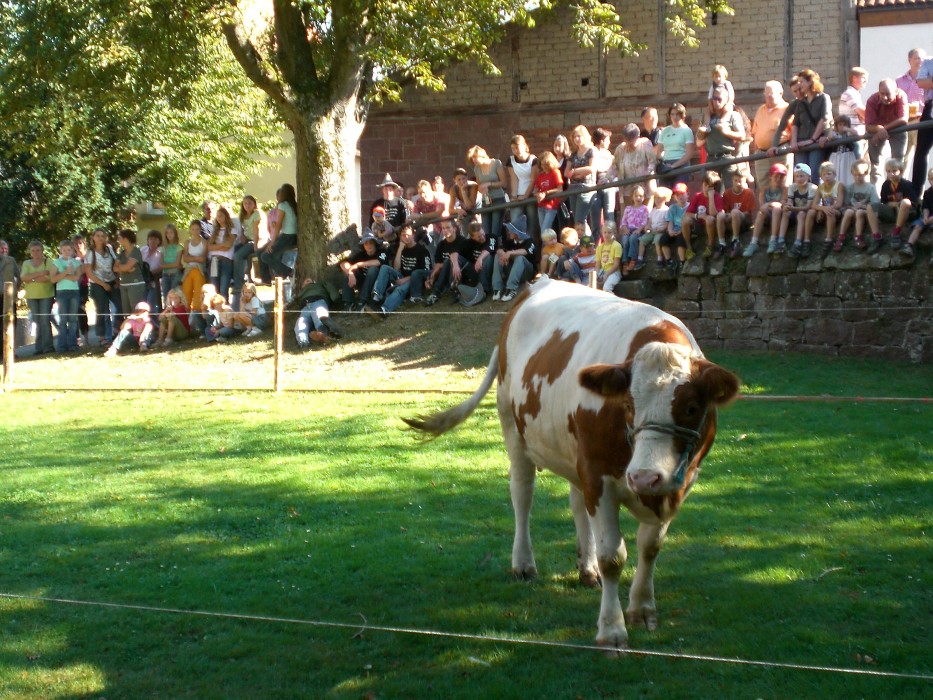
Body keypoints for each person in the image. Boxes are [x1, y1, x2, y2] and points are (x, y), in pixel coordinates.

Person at [366, 224, 432, 318]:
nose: (406, 237)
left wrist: (405, 280)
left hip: (415, 282)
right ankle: (376, 298)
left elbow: (425, 272)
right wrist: (400, 248)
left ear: (413, 235)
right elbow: (396, 268)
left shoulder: (422, 250)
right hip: (402, 276)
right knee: (385, 268)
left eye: (408, 235)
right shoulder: (402, 248)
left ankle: (384, 310)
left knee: (400, 289)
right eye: (403, 235)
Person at [786, 69, 833, 185]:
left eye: (802, 81)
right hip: (801, 142)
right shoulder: (801, 102)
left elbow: (824, 118)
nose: (800, 84)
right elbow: (796, 123)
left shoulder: (823, 98)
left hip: (816, 142)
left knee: (814, 174)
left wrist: (812, 139)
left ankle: (815, 196)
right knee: (800, 174)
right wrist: (793, 141)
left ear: (810, 82)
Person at [864, 79, 909, 188]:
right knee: (875, 164)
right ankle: (876, 192)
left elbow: (903, 119)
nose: (884, 97)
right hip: (876, 131)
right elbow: (868, 125)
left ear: (895, 91)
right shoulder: (872, 100)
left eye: (888, 94)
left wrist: (883, 129)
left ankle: (899, 189)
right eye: (882, 94)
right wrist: (879, 129)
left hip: (896, 129)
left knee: (898, 161)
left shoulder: (901, 96)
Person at [697, 86, 745, 186]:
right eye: (714, 98)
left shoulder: (733, 115)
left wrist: (726, 132)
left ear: (726, 100)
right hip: (711, 157)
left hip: (728, 157)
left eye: (719, 99)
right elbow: (698, 141)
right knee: (711, 189)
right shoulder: (707, 116)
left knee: (730, 188)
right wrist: (701, 132)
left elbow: (742, 136)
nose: (716, 101)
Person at [83, 228, 121, 346]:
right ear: (93, 238)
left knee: (120, 304)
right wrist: (103, 284)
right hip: (97, 284)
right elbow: (89, 273)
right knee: (102, 310)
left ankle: (116, 330)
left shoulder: (109, 249)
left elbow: (116, 263)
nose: (100, 238)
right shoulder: (90, 253)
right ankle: (102, 337)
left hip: (112, 281)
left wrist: (117, 279)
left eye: (102, 236)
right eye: (98, 236)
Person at [751, 81, 793, 187]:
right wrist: (756, 150)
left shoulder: (787, 109)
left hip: (780, 152)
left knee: (783, 185)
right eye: (766, 94)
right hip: (762, 154)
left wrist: (789, 150)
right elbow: (755, 131)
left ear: (780, 93)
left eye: (771, 94)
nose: (768, 97)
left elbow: (793, 131)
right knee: (763, 186)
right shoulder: (761, 109)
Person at [610, 123, 656, 215]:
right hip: (627, 190)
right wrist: (607, 178)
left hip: (645, 188)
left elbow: (652, 162)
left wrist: (648, 172)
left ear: (638, 137)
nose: (630, 143)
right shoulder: (620, 149)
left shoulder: (645, 144)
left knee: (644, 216)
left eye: (632, 140)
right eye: (627, 140)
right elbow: (614, 166)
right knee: (628, 216)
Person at [744, 163, 787, 257]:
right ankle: (754, 242)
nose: (778, 179)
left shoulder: (785, 189)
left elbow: (782, 203)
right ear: (770, 176)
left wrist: (769, 204)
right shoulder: (764, 190)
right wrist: (770, 205)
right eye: (776, 176)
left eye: (781, 177)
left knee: (776, 209)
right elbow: (762, 206)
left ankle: (773, 240)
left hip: (779, 215)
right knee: (761, 213)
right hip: (767, 214)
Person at [876, 158, 917, 253]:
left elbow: (913, 202)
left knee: (905, 202)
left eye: (894, 171)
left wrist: (900, 204)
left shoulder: (907, 184)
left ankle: (896, 232)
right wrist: (896, 204)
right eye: (888, 171)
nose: (891, 174)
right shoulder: (886, 185)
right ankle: (876, 236)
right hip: (893, 211)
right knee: (871, 206)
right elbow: (884, 202)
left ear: (901, 171)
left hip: (908, 213)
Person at [838, 161, 881, 251]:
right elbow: (846, 204)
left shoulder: (870, 187)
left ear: (866, 173)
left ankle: (858, 237)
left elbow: (875, 204)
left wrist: (862, 206)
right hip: (852, 210)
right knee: (849, 212)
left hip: (864, 211)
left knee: (859, 212)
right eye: (855, 175)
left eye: (860, 175)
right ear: (852, 173)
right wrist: (853, 208)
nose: (857, 177)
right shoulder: (850, 188)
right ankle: (841, 237)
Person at [21, 240, 55, 354]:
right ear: (30, 252)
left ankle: (48, 347)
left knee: (45, 320)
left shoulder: (48, 262)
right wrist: (40, 274)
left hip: (46, 295)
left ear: (42, 251)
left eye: (38, 250)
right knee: (37, 321)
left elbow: (48, 278)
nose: (35, 252)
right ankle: (39, 348)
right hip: (31, 296)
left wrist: (31, 279)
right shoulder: (26, 263)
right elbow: (24, 277)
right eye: (33, 250)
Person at [468, 146, 508, 242]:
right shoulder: (477, 168)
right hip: (485, 200)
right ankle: (488, 249)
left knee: (495, 231)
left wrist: (489, 184)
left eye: (475, 157)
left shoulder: (496, 163)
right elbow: (479, 184)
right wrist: (480, 188)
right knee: (486, 230)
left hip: (498, 198)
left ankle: (496, 248)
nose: (474, 160)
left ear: (481, 155)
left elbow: (504, 183)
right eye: (472, 158)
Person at [506, 135, 539, 248]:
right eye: (513, 148)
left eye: (517, 147)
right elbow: (514, 178)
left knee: (531, 225)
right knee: (515, 223)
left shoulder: (533, 159)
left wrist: (525, 196)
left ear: (525, 146)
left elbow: (533, 179)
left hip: (531, 195)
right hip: (519, 194)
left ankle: (531, 249)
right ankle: (518, 248)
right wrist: (514, 196)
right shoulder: (511, 160)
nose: (516, 151)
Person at [491, 214, 535, 302]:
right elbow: (499, 249)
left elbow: (525, 251)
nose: (509, 232)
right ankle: (497, 288)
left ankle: (512, 288)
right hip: (512, 272)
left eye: (511, 230)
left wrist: (510, 253)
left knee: (520, 258)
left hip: (526, 273)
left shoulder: (529, 241)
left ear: (517, 233)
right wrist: (503, 254)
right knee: (498, 255)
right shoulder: (511, 241)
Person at [340, 232, 388, 310]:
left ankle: (363, 301)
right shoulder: (360, 255)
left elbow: (378, 262)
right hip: (363, 284)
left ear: (375, 244)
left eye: (371, 243)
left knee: (372, 269)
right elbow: (343, 263)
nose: (369, 245)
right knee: (349, 272)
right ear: (363, 246)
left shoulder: (382, 252)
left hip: (377, 286)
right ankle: (348, 303)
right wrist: (350, 273)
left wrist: (358, 264)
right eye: (366, 243)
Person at [260, 183, 299, 280]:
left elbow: (278, 224)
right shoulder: (293, 205)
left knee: (265, 256)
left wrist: (272, 242)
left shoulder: (282, 205)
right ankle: (283, 274)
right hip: (294, 236)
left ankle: (288, 272)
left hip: (287, 236)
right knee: (270, 254)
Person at [897, 49, 926, 175]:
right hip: (904, 122)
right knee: (903, 156)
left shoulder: (927, 80)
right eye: (917, 58)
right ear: (910, 60)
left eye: (922, 58)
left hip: (921, 121)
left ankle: (919, 184)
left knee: (921, 156)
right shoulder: (899, 81)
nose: (920, 61)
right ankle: (902, 183)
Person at [50, 239, 82, 352]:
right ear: (60, 250)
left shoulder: (76, 263)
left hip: (74, 291)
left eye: (69, 250)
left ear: (72, 250)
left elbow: (76, 278)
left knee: (73, 319)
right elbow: (53, 279)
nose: (67, 252)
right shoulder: (56, 263)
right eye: (64, 250)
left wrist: (62, 275)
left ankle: (73, 344)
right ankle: (61, 346)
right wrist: (66, 272)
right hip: (61, 292)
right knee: (63, 319)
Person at [780, 163, 818, 258]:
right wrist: (787, 206)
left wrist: (792, 208)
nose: (799, 179)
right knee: (786, 212)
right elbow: (790, 203)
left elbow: (808, 207)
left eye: (802, 176)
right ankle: (780, 240)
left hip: (809, 212)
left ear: (808, 176)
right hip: (797, 209)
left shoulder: (813, 188)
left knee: (801, 214)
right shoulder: (792, 187)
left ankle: (798, 243)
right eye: (797, 176)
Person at [425, 219, 466, 305]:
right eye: (443, 228)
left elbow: (463, 260)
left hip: (461, 272)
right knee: (445, 263)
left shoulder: (462, 241)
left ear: (454, 229)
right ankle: (436, 290)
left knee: (449, 260)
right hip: (446, 273)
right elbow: (438, 264)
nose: (445, 230)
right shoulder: (441, 244)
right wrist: (433, 275)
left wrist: (451, 263)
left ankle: (440, 292)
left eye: (448, 227)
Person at [717, 172, 757, 258]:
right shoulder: (727, 193)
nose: (738, 183)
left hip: (744, 221)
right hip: (731, 219)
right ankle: (721, 243)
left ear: (745, 181)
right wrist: (729, 215)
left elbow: (749, 212)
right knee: (720, 215)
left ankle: (735, 240)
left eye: (740, 181)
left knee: (735, 212)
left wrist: (735, 214)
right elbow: (725, 210)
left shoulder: (748, 192)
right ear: (732, 181)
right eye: (735, 180)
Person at [683, 171, 723, 257]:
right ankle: (689, 248)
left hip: (712, 226)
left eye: (710, 187)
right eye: (705, 185)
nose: (706, 188)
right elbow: (687, 214)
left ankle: (710, 246)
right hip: (699, 225)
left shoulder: (717, 197)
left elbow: (713, 214)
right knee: (685, 221)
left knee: (710, 219)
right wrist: (699, 216)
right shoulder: (697, 196)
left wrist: (711, 197)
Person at [655, 103, 696, 188]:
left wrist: (673, 166)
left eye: (677, 114)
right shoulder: (665, 131)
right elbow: (659, 152)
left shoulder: (687, 130)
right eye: (672, 114)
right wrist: (663, 163)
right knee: (664, 192)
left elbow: (689, 154)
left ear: (682, 115)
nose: (675, 117)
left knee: (679, 192)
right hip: (666, 165)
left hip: (681, 165)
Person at [293, 277, 341, 348]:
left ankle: (324, 335)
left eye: (309, 280)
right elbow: (296, 301)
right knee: (300, 324)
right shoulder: (301, 292)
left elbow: (330, 288)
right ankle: (303, 343)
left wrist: (336, 298)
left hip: (317, 301)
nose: (307, 280)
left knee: (320, 316)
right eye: (305, 281)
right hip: (304, 308)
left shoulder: (320, 284)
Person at [232, 195, 263, 304]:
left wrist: (256, 245)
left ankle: (238, 285)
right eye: (245, 203)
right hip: (246, 240)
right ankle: (237, 278)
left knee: (238, 255)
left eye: (250, 203)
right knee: (232, 252)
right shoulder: (242, 215)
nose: (247, 205)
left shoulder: (256, 214)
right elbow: (243, 230)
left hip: (254, 241)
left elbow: (256, 230)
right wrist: (242, 237)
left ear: (254, 204)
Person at [810, 162, 845, 256]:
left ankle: (829, 239)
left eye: (829, 174)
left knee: (830, 212)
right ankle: (806, 240)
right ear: (821, 177)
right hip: (826, 209)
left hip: (838, 210)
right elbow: (814, 205)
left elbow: (839, 204)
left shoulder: (839, 185)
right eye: (824, 174)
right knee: (812, 212)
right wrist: (822, 209)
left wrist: (827, 209)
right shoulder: (820, 187)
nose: (827, 176)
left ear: (834, 174)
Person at [565, 125, 597, 226]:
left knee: (580, 220)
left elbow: (591, 168)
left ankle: (586, 237)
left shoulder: (591, 151)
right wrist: (579, 173)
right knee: (577, 220)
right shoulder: (573, 154)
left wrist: (575, 171)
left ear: (585, 136)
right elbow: (566, 173)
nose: (577, 139)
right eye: (574, 137)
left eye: (579, 136)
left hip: (586, 187)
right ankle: (585, 236)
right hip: (573, 187)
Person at [590, 127, 617, 241]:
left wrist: (607, 177)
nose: (609, 142)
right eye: (608, 140)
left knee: (609, 216)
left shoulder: (608, 153)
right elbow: (594, 167)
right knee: (595, 219)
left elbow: (614, 168)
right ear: (601, 140)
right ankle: (596, 246)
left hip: (608, 185)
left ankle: (612, 244)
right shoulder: (591, 151)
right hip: (595, 187)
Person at [112, 229, 146, 320]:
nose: (118, 240)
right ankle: (128, 328)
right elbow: (114, 268)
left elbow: (126, 267)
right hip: (124, 285)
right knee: (126, 313)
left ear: (126, 239)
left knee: (136, 311)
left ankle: (138, 328)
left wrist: (122, 268)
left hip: (136, 284)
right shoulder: (122, 253)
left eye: (120, 238)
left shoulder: (136, 251)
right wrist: (125, 269)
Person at [458, 221, 495, 302]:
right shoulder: (468, 243)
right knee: (456, 258)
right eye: (478, 237)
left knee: (488, 257)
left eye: (482, 234)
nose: (482, 237)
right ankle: (457, 289)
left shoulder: (491, 237)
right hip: (475, 271)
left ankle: (484, 290)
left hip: (488, 270)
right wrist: (455, 265)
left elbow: (489, 249)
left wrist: (480, 258)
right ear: (472, 237)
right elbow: (455, 252)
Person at [635, 187, 671, 270]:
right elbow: (650, 221)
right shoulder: (653, 210)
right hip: (652, 231)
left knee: (657, 240)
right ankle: (640, 259)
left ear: (665, 198)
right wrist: (647, 226)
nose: (657, 200)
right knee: (642, 240)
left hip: (661, 231)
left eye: (660, 198)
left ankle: (660, 259)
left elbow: (668, 223)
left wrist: (662, 229)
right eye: (656, 198)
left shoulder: (666, 210)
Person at [902, 167, 933, 259]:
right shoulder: (928, 192)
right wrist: (926, 217)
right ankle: (909, 246)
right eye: (932, 178)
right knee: (918, 226)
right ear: (929, 180)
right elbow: (926, 207)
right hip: (929, 216)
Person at [838, 67, 868, 160]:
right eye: (864, 78)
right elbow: (864, 114)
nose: (866, 81)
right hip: (852, 137)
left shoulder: (854, 93)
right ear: (854, 78)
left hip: (856, 136)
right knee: (858, 163)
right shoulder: (850, 93)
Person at [660, 183, 690, 275]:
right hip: (674, 229)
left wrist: (681, 231)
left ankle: (682, 261)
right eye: (677, 195)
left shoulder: (690, 206)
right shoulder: (672, 208)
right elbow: (670, 221)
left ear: (687, 194)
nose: (680, 196)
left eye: (682, 194)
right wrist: (670, 230)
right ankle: (669, 261)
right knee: (663, 239)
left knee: (680, 241)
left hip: (685, 230)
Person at [207, 207, 236, 300]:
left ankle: (225, 308)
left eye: (221, 216)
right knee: (215, 289)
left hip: (226, 260)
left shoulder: (232, 230)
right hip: (214, 260)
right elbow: (209, 247)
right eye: (217, 216)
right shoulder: (214, 230)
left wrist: (216, 246)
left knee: (223, 289)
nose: (219, 218)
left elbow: (228, 246)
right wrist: (222, 246)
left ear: (226, 216)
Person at [618, 185, 648, 270]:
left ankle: (633, 259)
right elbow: (623, 221)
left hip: (638, 230)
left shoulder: (644, 209)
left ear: (644, 197)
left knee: (633, 238)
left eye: (641, 196)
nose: (638, 198)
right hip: (628, 229)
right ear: (632, 197)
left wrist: (639, 230)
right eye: (636, 196)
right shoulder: (628, 208)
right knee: (624, 240)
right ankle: (625, 260)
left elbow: (645, 221)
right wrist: (625, 228)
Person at [534, 151, 564, 234]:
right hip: (541, 206)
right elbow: (535, 191)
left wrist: (546, 193)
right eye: (542, 164)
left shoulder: (555, 172)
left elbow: (560, 189)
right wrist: (538, 194)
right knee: (544, 232)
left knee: (544, 231)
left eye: (546, 164)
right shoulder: (540, 176)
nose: (544, 167)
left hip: (551, 206)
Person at [826, 115, 859, 189]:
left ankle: (848, 189)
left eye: (844, 124)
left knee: (847, 174)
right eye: (840, 124)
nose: (842, 126)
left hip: (847, 157)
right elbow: (830, 137)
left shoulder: (848, 134)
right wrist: (831, 127)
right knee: (836, 172)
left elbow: (855, 133)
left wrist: (847, 129)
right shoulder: (835, 134)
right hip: (836, 157)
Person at [0, 239, 19, 361]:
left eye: (6, 249)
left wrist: (16, 290)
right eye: (2, 249)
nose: (4, 251)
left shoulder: (11, 260)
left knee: (11, 323)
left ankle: (10, 351)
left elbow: (18, 276)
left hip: (8, 296)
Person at [70, 234, 90, 346]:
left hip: (87, 285)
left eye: (80, 243)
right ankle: (77, 337)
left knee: (81, 309)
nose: (78, 245)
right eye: (75, 243)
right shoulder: (71, 257)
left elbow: (89, 269)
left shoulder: (89, 255)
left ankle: (86, 336)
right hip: (75, 286)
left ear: (84, 243)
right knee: (75, 310)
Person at [140, 229, 163, 316]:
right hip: (142, 280)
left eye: (155, 239)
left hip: (154, 281)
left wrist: (150, 273)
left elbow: (162, 267)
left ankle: (153, 322)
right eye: (151, 239)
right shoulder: (143, 250)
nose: (152, 241)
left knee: (151, 305)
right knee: (142, 304)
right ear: (148, 240)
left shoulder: (161, 253)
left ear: (159, 241)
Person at [160, 224, 184, 309]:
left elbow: (177, 263)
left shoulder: (179, 247)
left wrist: (167, 265)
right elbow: (161, 264)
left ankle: (176, 314)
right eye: (167, 233)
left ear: (175, 233)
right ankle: (167, 315)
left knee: (175, 297)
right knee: (166, 298)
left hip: (175, 275)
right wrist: (173, 265)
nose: (169, 235)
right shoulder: (163, 248)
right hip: (165, 275)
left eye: (171, 232)